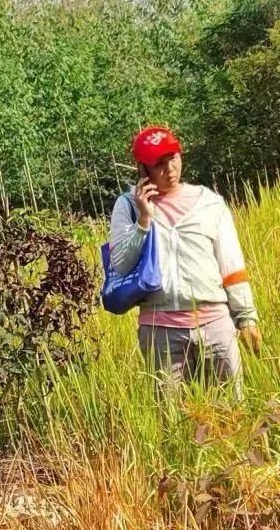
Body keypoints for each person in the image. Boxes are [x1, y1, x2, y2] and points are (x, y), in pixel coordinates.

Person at [110, 126, 261, 394]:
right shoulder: (128, 207)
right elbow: (120, 263)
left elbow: (232, 265)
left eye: (174, 158)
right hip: (161, 333)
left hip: (215, 326)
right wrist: (144, 220)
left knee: (229, 415)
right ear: (142, 170)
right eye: (159, 164)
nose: (170, 169)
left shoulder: (209, 203)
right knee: (171, 422)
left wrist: (246, 318)